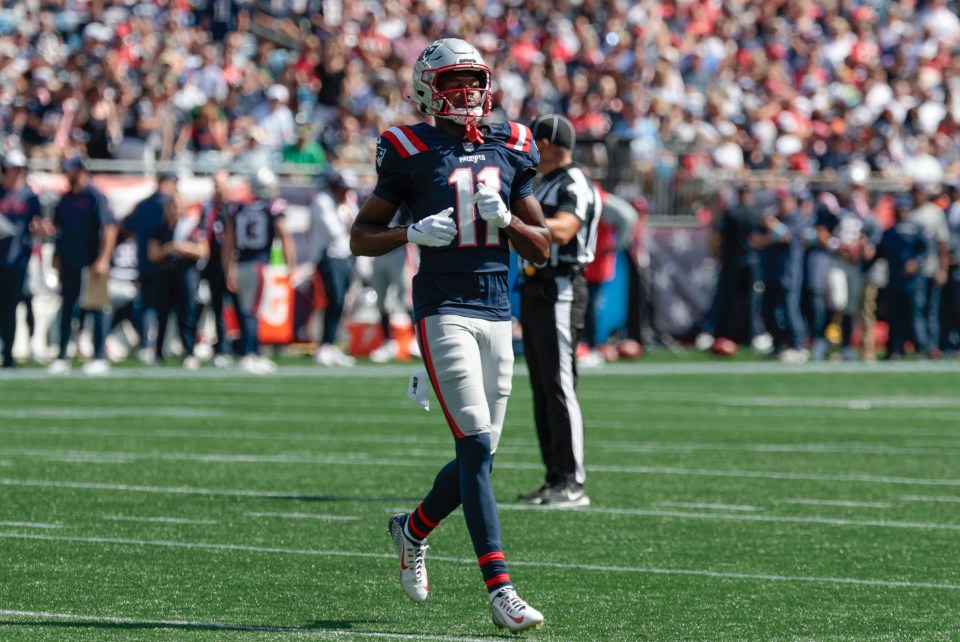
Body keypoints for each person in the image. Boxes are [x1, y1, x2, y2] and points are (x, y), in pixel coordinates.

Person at [350, 38, 550, 633]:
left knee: (482, 453)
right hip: (443, 308)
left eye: (473, 81)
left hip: (497, 308)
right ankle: (500, 589)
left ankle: (412, 529)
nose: (467, 93)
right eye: (453, 83)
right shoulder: (407, 146)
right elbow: (362, 235)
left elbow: (542, 248)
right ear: (426, 88)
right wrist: (413, 232)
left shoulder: (512, 143)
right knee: (474, 444)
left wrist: (507, 220)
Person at [517, 114, 601, 507]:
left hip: (561, 286)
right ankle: (554, 477)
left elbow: (566, 228)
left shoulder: (573, 181)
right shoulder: (545, 181)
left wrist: (511, 223)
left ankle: (572, 480)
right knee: (542, 385)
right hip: (537, 285)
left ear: (546, 144)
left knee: (559, 384)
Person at [48, 156, 118, 375]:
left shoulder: (95, 196)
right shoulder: (65, 198)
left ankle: (99, 356)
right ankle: (62, 355)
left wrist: (103, 259)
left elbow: (109, 228)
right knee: (68, 308)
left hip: (92, 261)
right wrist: (56, 253)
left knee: (97, 308)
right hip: (70, 260)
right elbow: (58, 228)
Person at [222, 167, 296, 374]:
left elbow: (228, 243)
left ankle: (252, 353)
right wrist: (292, 265)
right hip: (259, 266)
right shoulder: (272, 208)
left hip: (242, 264)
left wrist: (229, 269)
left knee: (247, 311)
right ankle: (249, 354)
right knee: (252, 312)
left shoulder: (237, 209)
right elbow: (285, 237)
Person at [147, 192, 209, 368]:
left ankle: (188, 351)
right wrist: (169, 249)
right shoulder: (160, 228)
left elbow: (203, 251)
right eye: (171, 205)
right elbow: (153, 253)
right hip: (165, 272)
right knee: (162, 314)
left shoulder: (191, 227)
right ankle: (158, 353)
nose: (174, 209)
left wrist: (182, 247)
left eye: (177, 205)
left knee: (187, 313)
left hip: (186, 272)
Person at [123, 172, 180, 363]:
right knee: (163, 307)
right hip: (163, 264)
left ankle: (147, 344)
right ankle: (159, 345)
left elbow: (127, 225)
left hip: (144, 261)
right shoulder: (168, 204)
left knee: (147, 305)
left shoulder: (142, 205)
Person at [0, 149, 45, 368]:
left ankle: (7, 354)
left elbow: (39, 226)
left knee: (10, 310)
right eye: (13, 169)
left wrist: (39, 229)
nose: (17, 173)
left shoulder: (30, 197)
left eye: (20, 169)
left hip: (18, 261)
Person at [309, 170, 358, 367]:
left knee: (341, 303)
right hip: (328, 256)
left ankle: (331, 344)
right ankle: (324, 345)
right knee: (334, 300)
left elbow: (358, 224)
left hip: (346, 256)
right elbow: (334, 230)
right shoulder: (322, 201)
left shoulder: (345, 203)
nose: (345, 192)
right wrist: (348, 221)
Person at [198, 170, 240, 367]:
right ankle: (221, 347)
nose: (217, 189)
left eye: (220, 185)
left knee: (240, 307)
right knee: (217, 307)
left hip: (233, 262)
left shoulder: (235, 209)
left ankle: (244, 347)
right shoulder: (208, 208)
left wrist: (232, 265)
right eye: (215, 184)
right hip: (213, 262)